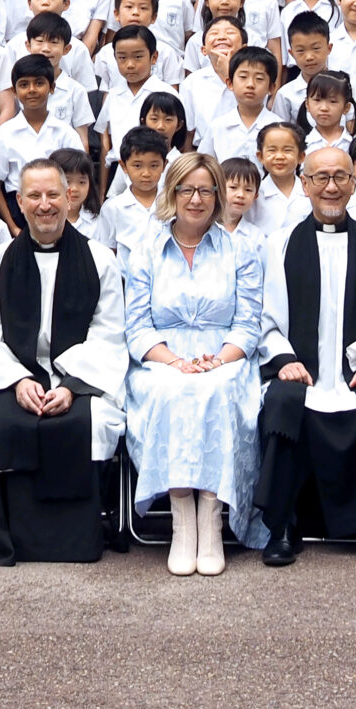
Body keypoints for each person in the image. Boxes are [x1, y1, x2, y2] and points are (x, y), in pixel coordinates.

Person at [0, 157, 130, 565]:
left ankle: (77, 537)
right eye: (34, 196)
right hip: (14, 375)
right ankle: (16, 534)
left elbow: (108, 332)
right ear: (19, 202)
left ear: (69, 198)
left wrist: (68, 386)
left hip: (80, 378)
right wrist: (16, 380)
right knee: (6, 421)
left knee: (90, 421)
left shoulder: (100, 259)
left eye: (52, 195)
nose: (44, 204)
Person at [250, 144, 356, 569]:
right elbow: (263, 319)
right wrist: (283, 357)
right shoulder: (279, 245)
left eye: (340, 178)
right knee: (283, 401)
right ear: (304, 184)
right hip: (303, 370)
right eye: (320, 178)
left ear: (353, 184)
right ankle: (283, 525)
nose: (331, 187)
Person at [121, 150, 269, 576]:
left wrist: (218, 360)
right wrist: (173, 361)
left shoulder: (240, 249)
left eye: (206, 190)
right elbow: (137, 326)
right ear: (173, 192)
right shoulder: (146, 249)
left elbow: (248, 323)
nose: (197, 199)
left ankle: (212, 513)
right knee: (172, 390)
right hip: (161, 359)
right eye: (187, 189)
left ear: (218, 195)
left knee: (216, 391)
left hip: (225, 358)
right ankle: (182, 518)